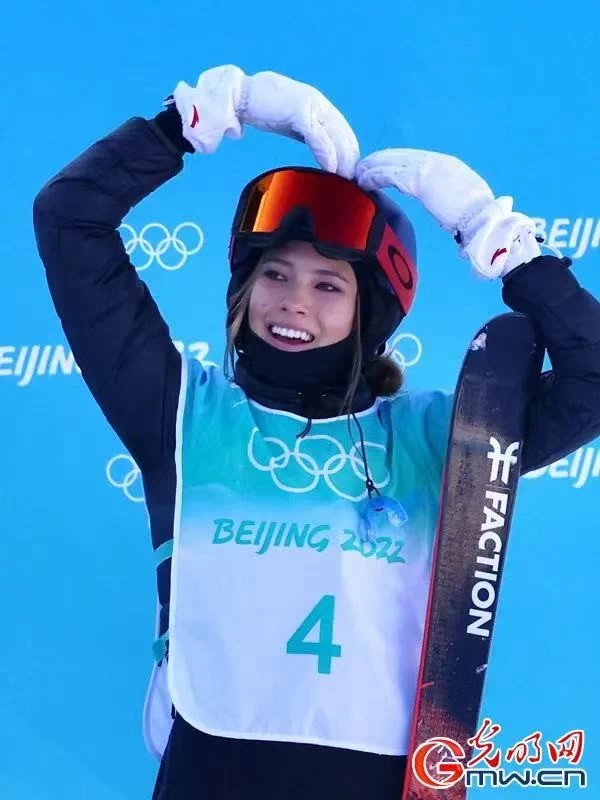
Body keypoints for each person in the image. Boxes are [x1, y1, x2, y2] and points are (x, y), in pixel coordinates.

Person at [33, 65, 600, 800]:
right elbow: (70, 219)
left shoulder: (443, 440)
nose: (293, 302)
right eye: (275, 274)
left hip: (377, 773)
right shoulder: (178, 413)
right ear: (244, 290)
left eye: (328, 284)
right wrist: (193, 121)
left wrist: (503, 242)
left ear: (372, 314)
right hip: (212, 767)